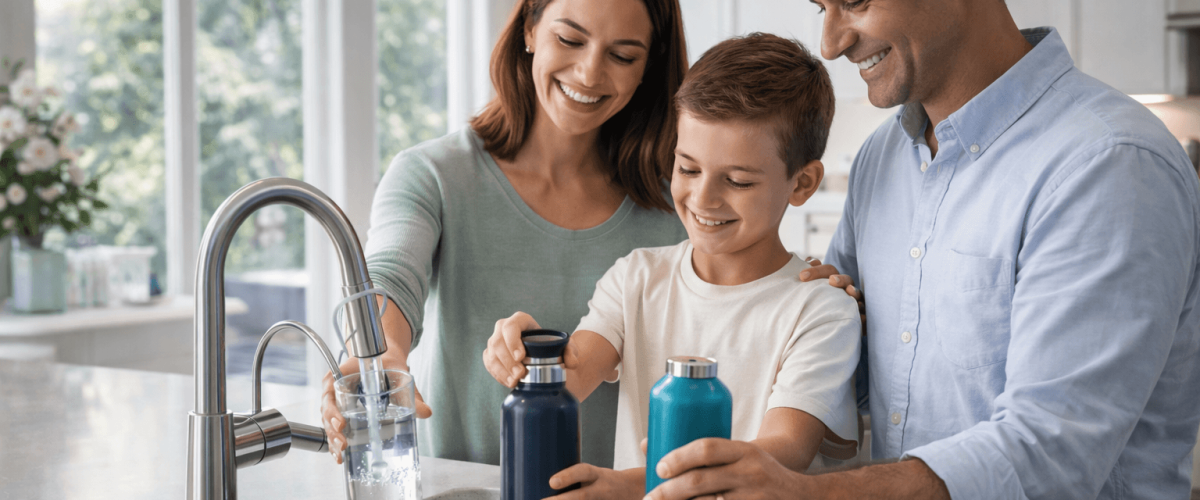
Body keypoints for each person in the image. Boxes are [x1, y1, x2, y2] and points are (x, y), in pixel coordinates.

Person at [645, 1, 1200, 499]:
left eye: (855, 2)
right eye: (822, 9)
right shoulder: (882, 157)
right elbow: (845, 376)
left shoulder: (1108, 164)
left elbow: (1050, 453)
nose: (831, 44)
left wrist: (805, 494)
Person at [484, 33, 861, 498]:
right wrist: (526, 356)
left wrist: (630, 486)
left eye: (737, 181)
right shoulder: (636, 278)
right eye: (688, 169)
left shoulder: (821, 311)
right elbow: (572, 375)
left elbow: (782, 453)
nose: (703, 198)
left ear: (801, 183)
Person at [319, 0, 689, 468]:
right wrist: (382, 353)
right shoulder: (433, 174)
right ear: (529, 29)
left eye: (623, 55)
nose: (590, 73)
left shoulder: (679, 206)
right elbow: (391, 271)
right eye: (569, 39)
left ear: (649, 67)